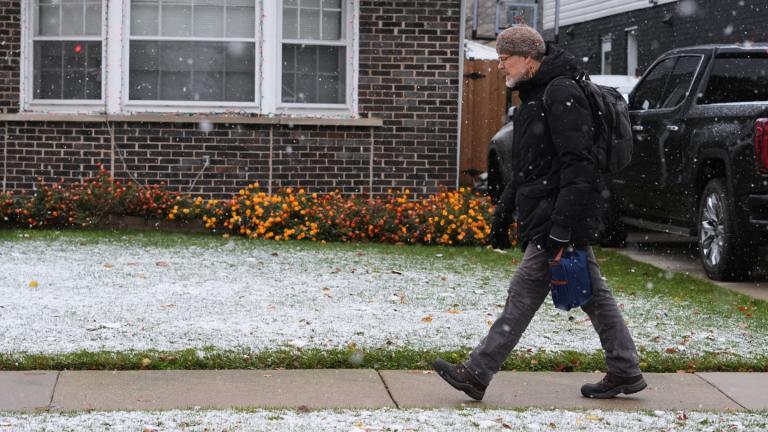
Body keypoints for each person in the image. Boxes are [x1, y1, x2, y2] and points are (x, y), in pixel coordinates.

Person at [433, 25, 646, 400]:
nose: (500, 66)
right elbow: (530, 165)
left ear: (528, 57)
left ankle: (477, 373)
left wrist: (562, 227)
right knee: (594, 295)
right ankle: (625, 369)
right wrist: (504, 213)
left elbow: (578, 164)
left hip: (559, 216)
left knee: (524, 292)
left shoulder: (560, 92)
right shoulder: (535, 94)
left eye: (505, 58)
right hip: (550, 212)